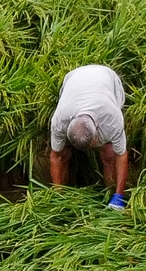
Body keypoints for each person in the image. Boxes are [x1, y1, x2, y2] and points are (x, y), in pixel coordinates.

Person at [47, 64, 130, 209]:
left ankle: (111, 195)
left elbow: (121, 155)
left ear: (97, 129)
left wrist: (119, 196)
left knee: (109, 153)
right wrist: (57, 196)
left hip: (107, 78)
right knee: (63, 153)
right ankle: (62, 195)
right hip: (73, 78)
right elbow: (56, 156)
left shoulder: (111, 118)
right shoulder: (60, 121)